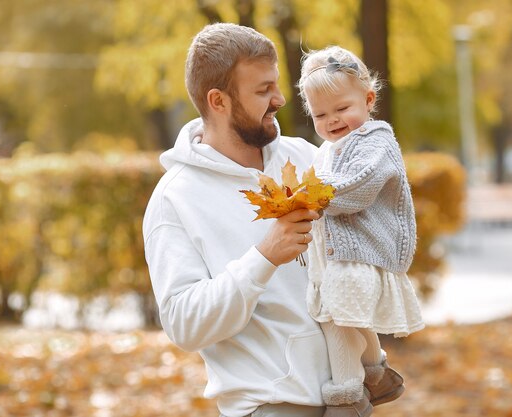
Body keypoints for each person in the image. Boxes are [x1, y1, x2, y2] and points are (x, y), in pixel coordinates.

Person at [142, 23, 331, 417]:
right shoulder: (175, 199)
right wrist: (263, 258)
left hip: (349, 398)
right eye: (262, 90)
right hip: (272, 406)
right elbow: (183, 323)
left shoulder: (308, 157)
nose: (280, 99)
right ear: (218, 101)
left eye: (276, 85)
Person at [297, 46, 425, 417]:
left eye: (341, 109)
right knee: (351, 317)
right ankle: (377, 374)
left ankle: (347, 397)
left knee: (335, 322)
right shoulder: (329, 148)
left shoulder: (376, 141)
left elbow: (358, 186)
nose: (332, 120)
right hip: (337, 257)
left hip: (361, 254)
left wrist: (311, 196)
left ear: (368, 100)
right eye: (320, 114)